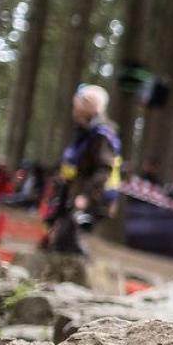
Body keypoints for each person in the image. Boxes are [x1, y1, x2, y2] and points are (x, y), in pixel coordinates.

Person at [44, 84, 123, 255]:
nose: (75, 107)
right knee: (56, 241)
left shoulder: (102, 134)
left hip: (91, 200)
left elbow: (104, 169)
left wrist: (86, 197)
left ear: (90, 104)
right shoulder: (86, 132)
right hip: (74, 196)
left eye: (78, 103)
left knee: (68, 244)